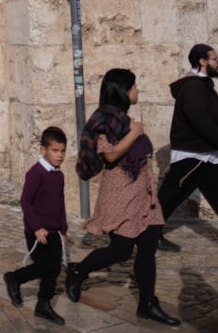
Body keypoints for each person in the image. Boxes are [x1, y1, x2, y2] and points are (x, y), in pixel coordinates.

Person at [66, 68, 180, 326]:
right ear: (122, 91)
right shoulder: (106, 120)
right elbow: (110, 155)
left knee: (148, 248)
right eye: (133, 87)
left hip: (143, 191)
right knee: (120, 250)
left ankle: (148, 303)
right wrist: (135, 133)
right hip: (120, 192)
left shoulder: (122, 119)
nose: (137, 91)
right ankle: (77, 271)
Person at [156, 44, 218, 253]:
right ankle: (146, 236)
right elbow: (200, 120)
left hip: (208, 156)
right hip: (193, 156)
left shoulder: (202, 85)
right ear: (201, 62)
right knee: (168, 198)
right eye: (214, 59)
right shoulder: (193, 88)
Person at [3, 126, 69, 325]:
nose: (59, 155)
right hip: (36, 231)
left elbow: (60, 203)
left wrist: (63, 229)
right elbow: (25, 201)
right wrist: (37, 227)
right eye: (55, 150)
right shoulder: (36, 173)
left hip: (55, 230)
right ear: (43, 150)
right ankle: (14, 278)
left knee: (55, 269)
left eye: (63, 151)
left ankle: (44, 304)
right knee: (42, 267)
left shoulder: (59, 175)